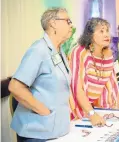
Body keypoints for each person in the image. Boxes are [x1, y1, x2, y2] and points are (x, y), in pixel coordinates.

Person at [9, 7, 73, 142]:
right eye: (67, 21)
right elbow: (15, 87)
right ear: (53, 23)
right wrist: (45, 111)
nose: (71, 25)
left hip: (56, 129)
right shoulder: (38, 50)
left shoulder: (58, 50)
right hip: (37, 131)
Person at [69, 17, 119, 127]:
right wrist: (91, 113)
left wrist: (118, 104)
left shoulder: (108, 53)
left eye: (107, 31)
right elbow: (76, 87)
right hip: (75, 108)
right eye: (101, 31)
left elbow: (111, 82)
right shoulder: (80, 52)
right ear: (90, 35)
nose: (106, 35)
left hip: (95, 107)